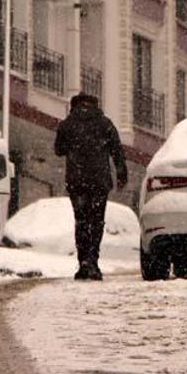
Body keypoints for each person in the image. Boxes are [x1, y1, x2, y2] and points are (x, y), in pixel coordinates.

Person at [54, 92, 127, 280]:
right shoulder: (105, 124)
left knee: (81, 221)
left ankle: (83, 262)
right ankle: (93, 261)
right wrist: (121, 174)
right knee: (96, 221)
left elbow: (58, 150)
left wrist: (74, 145)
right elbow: (117, 150)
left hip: (77, 181)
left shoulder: (68, 124)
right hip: (99, 182)